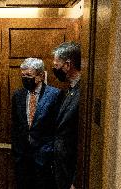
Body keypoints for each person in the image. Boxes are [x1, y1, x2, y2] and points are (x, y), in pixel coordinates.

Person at [11, 58, 60, 189]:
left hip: (45, 158)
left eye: (29, 75)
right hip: (22, 158)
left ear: (40, 75)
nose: (25, 78)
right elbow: (16, 125)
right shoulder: (18, 95)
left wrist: (51, 151)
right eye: (23, 75)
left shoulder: (55, 95)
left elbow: (58, 127)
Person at [52, 42, 81, 189]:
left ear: (67, 65)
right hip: (61, 168)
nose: (54, 69)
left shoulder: (84, 93)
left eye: (56, 65)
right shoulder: (68, 91)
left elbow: (82, 140)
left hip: (72, 173)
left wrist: (76, 179)